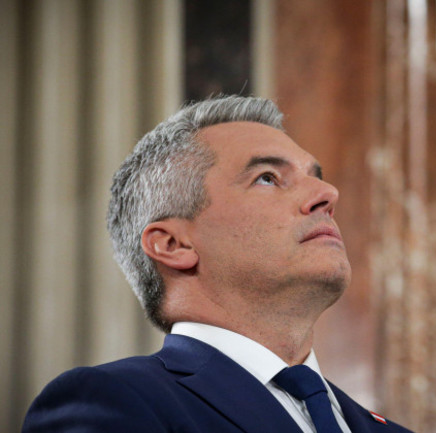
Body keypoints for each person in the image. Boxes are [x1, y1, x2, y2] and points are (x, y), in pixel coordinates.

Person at [22, 95, 413, 433]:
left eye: (316, 177)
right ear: (173, 244)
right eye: (267, 178)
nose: (328, 194)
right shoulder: (114, 402)